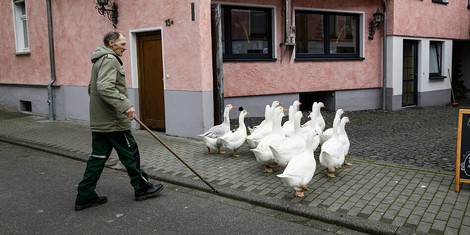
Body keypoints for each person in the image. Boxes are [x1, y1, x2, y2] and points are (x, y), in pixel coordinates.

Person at [75, 32, 163, 211]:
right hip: (114, 121)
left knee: (97, 158)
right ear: (111, 43)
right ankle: (143, 188)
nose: (125, 46)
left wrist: (102, 108)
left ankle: (84, 195)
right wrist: (125, 105)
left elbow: (92, 88)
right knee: (130, 154)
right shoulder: (109, 59)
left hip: (101, 121)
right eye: (122, 43)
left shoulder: (99, 59)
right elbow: (104, 87)